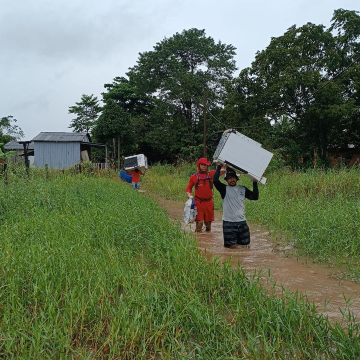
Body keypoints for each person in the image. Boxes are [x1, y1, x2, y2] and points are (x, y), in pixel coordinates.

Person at [213, 164, 259, 249]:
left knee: (246, 246)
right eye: (230, 178)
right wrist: (219, 166)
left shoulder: (243, 189)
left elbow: (255, 197)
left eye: (233, 177)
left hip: (242, 223)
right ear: (226, 180)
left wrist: (255, 183)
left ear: (236, 179)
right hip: (228, 223)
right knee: (232, 247)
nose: (232, 179)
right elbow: (215, 180)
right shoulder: (224, 189)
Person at [186, 158, 225, 233]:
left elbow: (222, 171)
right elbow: (189, 187)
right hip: (198, 203)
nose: (204, 166)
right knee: (199, 224)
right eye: (202, 165)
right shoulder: (194, 177)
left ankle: (207, 240)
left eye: (205, 165)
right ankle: (197, 242)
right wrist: (189, 194)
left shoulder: (211, 174)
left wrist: (223, 163)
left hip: (209, 202)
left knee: (208, 226)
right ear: (199, 165)